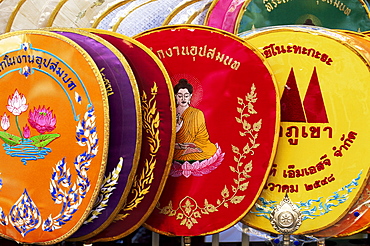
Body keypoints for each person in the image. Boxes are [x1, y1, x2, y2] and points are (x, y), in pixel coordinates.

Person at [173, 79, 217, 162]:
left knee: (210, 149)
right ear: (175, 96)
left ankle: (185, 152)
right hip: (174, 146)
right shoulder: (171, 113)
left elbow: (202, 137)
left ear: (190, 96)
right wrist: (176, 130)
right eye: (180, 95)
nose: (183, 98)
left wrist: (190, 146)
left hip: (192, 146)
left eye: (186, 96)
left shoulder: (197, 113)